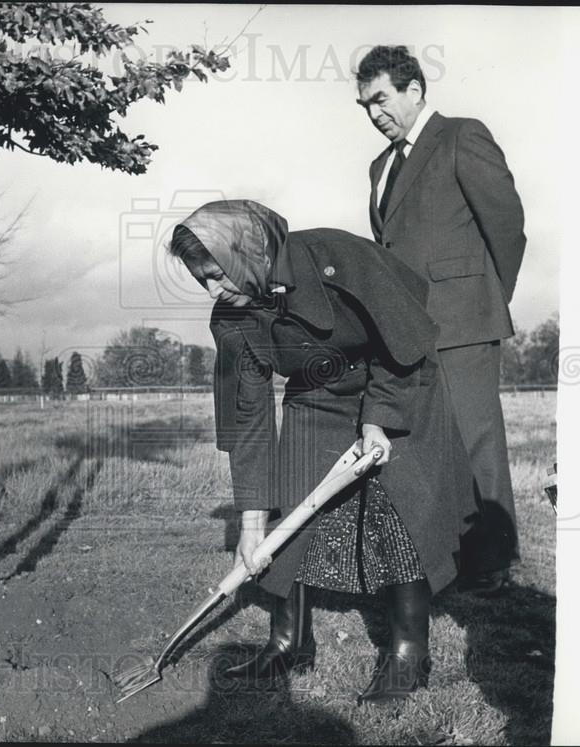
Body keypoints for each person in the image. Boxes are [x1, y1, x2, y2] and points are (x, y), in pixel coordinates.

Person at [168, 199, 472, 703]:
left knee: (400, 510)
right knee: (294, 504)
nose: (212, 290)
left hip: (396, 374)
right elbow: (248, 419)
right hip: (317, 391)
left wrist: (377, 420)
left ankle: (407, 652)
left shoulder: (335, 256)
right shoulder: (233, 318)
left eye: (217, 275)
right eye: (203, 280)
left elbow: (402, 339)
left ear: (247, 252)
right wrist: (250, 525)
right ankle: (288, 644)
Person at [355, 45, 527, 594]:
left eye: (380, 99)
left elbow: (507, 228)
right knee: (433, 447)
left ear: (414, 90)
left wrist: (483, 300)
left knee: (477, 441)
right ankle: (449, 559)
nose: (373, 112)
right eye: (364, 105)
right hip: (410, 330)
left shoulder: (462, 136)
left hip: (465, 324)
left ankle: (492, 563)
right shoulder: (380, 166)